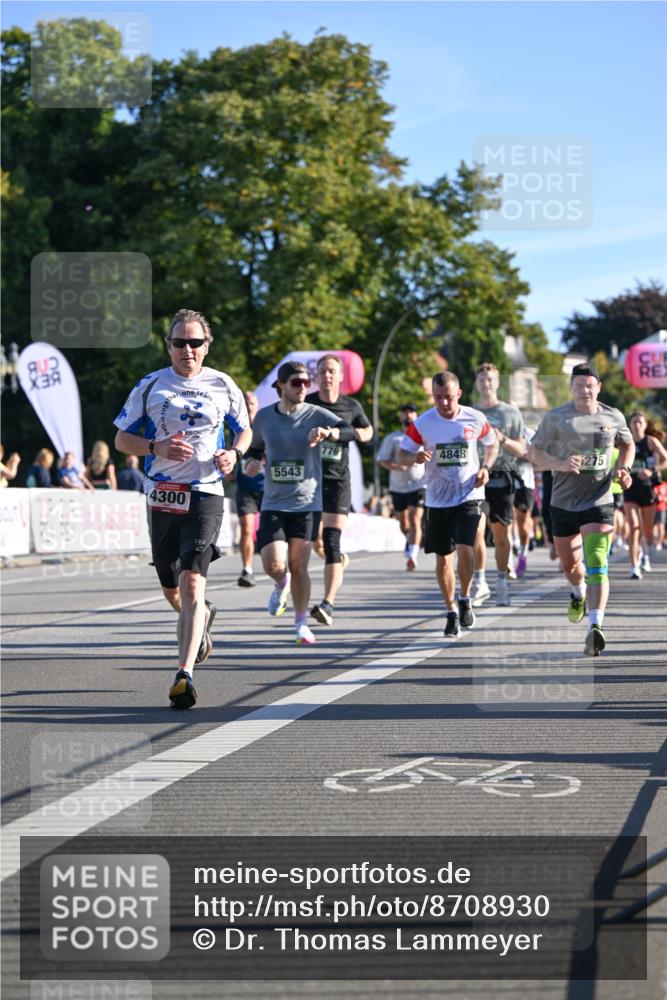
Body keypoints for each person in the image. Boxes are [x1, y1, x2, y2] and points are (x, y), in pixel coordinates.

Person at [114, 307, 251, 709]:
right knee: (172, 588)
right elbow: (122, 438)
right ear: (169, 346)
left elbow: (244, 429)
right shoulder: (151, 385)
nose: (187, 350)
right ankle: (202, 617)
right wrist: (156, 446)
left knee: (193, 582)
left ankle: (184, 675)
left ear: (207, 346)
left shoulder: (224, 385)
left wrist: (234, 454)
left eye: (195, 342)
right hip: (162, 492)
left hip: (206, 491)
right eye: (180, 343)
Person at [244, 360, 355, 645]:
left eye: (307, 383)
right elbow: (253, 451)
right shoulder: (265, 418)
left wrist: (328, 433)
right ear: (281, 386)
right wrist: (252, 464)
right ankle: (280, 585)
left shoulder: (317, 414)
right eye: (297, 383)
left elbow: (349, 431)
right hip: (273, 502)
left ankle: (300, 623)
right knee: (274, 563)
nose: (304, 388)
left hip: (307, 503)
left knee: (298, 565)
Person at [528, 362, 634, 657]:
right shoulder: (556, 418)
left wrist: (623, 468)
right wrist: (559, 465)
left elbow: (628, 444)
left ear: (598, 387)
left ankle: (595, 626)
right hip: (562, 503)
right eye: (578, 385)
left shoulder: (613, 416)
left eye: (590, 385)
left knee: (597, 561)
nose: (584, 390)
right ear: (571, 388)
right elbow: (533, 453)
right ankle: (578, 592)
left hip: (599, 499)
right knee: (571, 567)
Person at [399, 371, 498, 638]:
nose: (443, 403)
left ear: (459, 394)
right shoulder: (423, 422)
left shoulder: (475, 418)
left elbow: (492, 443)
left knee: (466, 550)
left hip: (469, 494)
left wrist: (486, 468)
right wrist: (416, 457)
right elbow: (402, 453)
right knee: (443, 560)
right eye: (438, 397)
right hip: (437, 500)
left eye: (449, 398)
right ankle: (451, 610)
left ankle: (465, 597)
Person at [305, 354, 373, 625]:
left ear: (341, 376)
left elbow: (368, 432)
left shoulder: (350, 405)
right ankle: (338, 561)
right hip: (309, 481)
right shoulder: (308, 403)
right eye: (323, 372)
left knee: (331, 542)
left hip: (337, 481)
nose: (328, 376)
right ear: (317, 376)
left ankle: (327, 604)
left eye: (332, 371)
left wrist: (350, 434)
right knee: (314, 542)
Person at [471, 363, 526, 607]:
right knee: (475, 531)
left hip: (502, 475)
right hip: (474, 478)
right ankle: (480, 582)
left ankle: (501, 581)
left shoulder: (510, 413)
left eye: (490, 379)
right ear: (476, 383)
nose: (486, 383)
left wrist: (502, 438)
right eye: (482, 379)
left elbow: (523, 449)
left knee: (501, 535)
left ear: (498, 383)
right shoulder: (469, 413)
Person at [377, 405, 426, 570]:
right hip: (398, 486)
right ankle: (409, 539)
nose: (409, 415)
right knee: (404, 523)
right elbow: (382, 459)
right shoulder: (393, 438)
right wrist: (397, 467)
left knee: (415, 519)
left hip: (419, 484)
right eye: (405, 412)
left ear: (417, 415)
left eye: (412, 412)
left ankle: (413, 554)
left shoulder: (424, 437)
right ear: (400, 417)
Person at [623, 411, 667, 578]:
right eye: (634, 422)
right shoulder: (626, 443)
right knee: (633, 527)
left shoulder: (650, 441)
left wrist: (651, 470)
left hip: (647, 489)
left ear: (645, 425)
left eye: (640, 422)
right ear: (630, 425)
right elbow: (619, 461)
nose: (637, 425)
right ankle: (634, 566)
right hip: (630, 490)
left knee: (647, 531)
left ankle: (645, 554)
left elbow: (665, 459)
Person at [234, 391, 264, 587]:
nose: (248, 404)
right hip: (245, 487)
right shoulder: (234, 427)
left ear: (257, 406)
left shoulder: (264, 426)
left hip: (268, 487)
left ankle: (281, 564)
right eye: (245, 402)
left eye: (252, 402)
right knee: (246, 528)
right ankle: (247, 569)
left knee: (274, 531)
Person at [513, 426, 536, 577]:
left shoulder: (529, 433)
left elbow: (536, 455)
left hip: (524, 480)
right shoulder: (499, 430)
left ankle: (523, 553)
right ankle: (508, 555)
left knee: (523, 520)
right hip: (504, 477)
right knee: (505, 519)